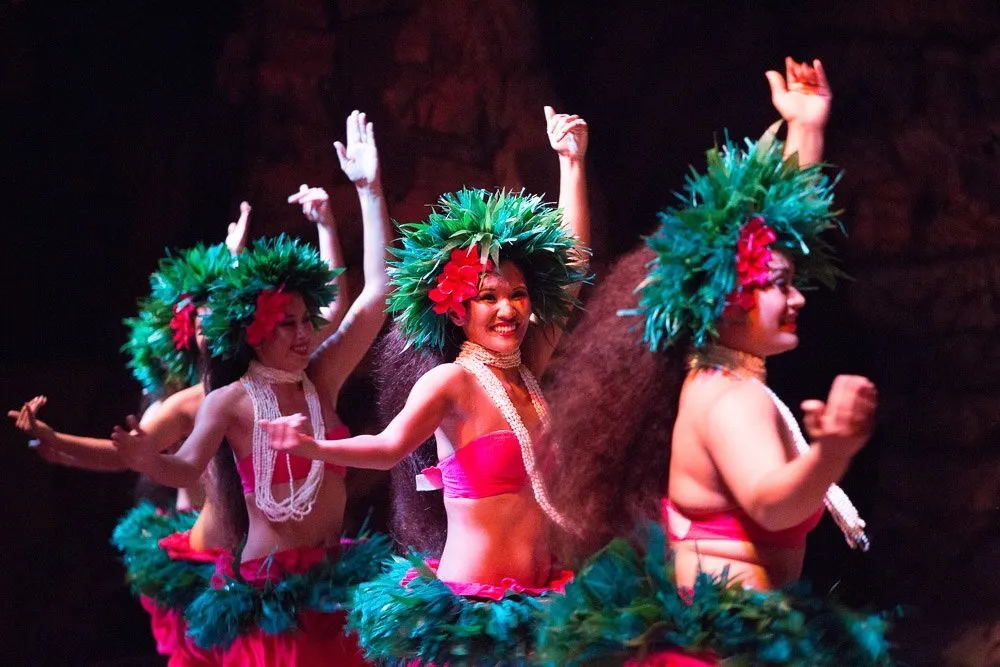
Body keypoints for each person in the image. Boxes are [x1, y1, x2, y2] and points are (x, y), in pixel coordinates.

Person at [537, 60, 895, 665]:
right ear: (726, 302)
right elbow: (772, 503)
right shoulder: (728, 397)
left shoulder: (725, 374)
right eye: (780, 286)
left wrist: (806, 130)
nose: (798, 297)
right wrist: (831, 452)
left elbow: (778, 232)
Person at [262, 105, 591, 664]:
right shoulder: (452, 382)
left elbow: (572, 269)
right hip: (473, 611)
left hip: (542, 603)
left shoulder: (528, 367)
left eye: (518, 294)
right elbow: (387, 446)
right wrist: (312, 447)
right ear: (458, 311)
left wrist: (571, 164)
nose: (507, 309)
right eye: (488, 297)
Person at [111, 110, 392, 666]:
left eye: (306, 320)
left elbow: (376, 294)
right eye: (287, 324)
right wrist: (146, 459)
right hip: (270, 592)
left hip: (332, 582)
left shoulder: (321, 378)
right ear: (255, 332)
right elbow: (186, 468)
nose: (304, 333)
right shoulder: (229, 400)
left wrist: (370, 191)